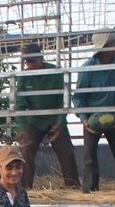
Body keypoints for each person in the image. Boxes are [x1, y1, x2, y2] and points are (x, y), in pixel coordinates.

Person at [15, 42, 81, 189]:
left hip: (54, 118)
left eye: (33, 61)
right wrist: (23, 128)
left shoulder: (55, 72)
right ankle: (24, 188)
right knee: (26, 150)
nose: (30, 65)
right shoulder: (23, 77)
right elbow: (20, 104)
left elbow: (63, 99)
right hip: (34, 120)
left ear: (41, 59)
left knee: (66, 151)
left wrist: (60, 121)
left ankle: (73, 186)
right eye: (28, 62)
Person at [72, 31, 115, 193]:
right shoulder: (87, 69)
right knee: (89, 156)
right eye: (112, 44)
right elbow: (79, 98)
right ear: (103, 48)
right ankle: (89, 190)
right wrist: (84, 120)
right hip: (93, 118)